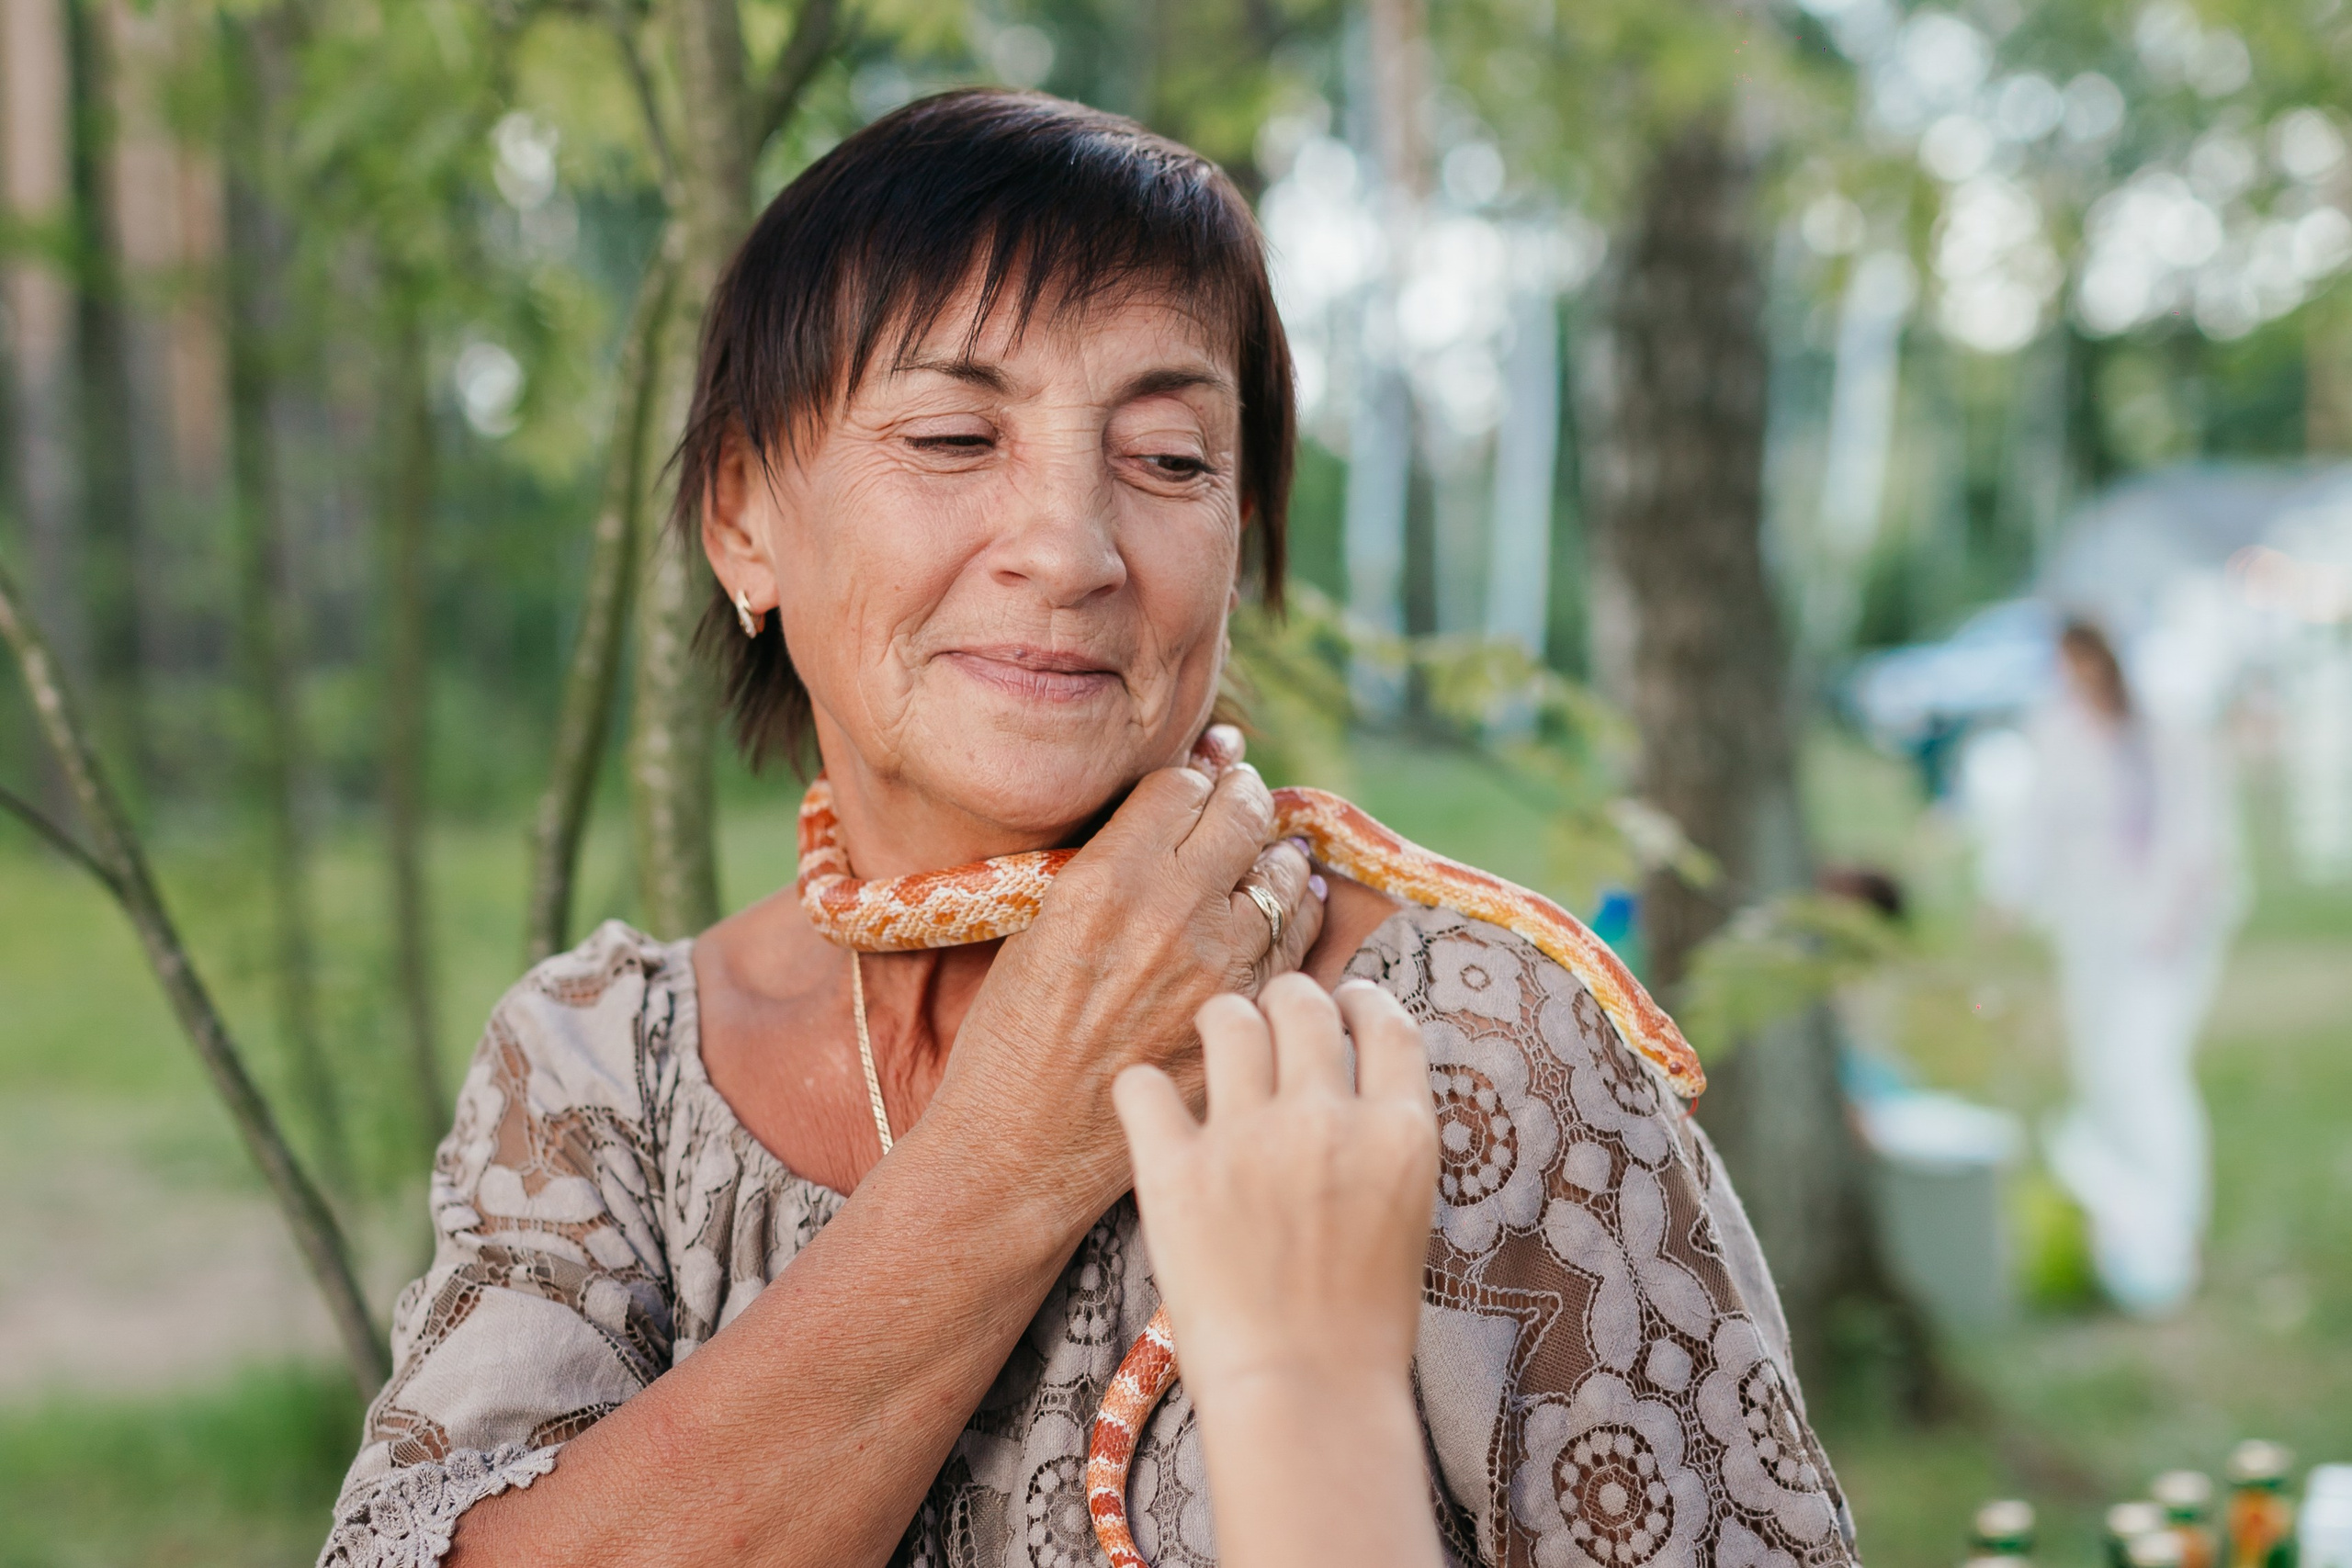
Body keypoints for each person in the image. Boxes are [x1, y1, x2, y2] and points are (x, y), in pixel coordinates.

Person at [317, 89, 1856, 1568]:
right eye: (950, 438)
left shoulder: (1463, 1044)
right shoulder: (601, 1077)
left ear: (1237, 546)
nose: (1068, 548)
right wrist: (1015, 1138)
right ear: (743, 517)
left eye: (1170, 459)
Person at [1985, 618, 2242, 1315]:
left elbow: (2200, 831)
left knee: (2145, 1065)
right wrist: (2008, 897)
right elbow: (2037, 825)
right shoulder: (2060, 733)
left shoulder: (2164, 733)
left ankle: (2177, 1213)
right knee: (2102, 1069)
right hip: (2091, 929)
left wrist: (2173, 913)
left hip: (2163, 933)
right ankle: (2123, 1214)